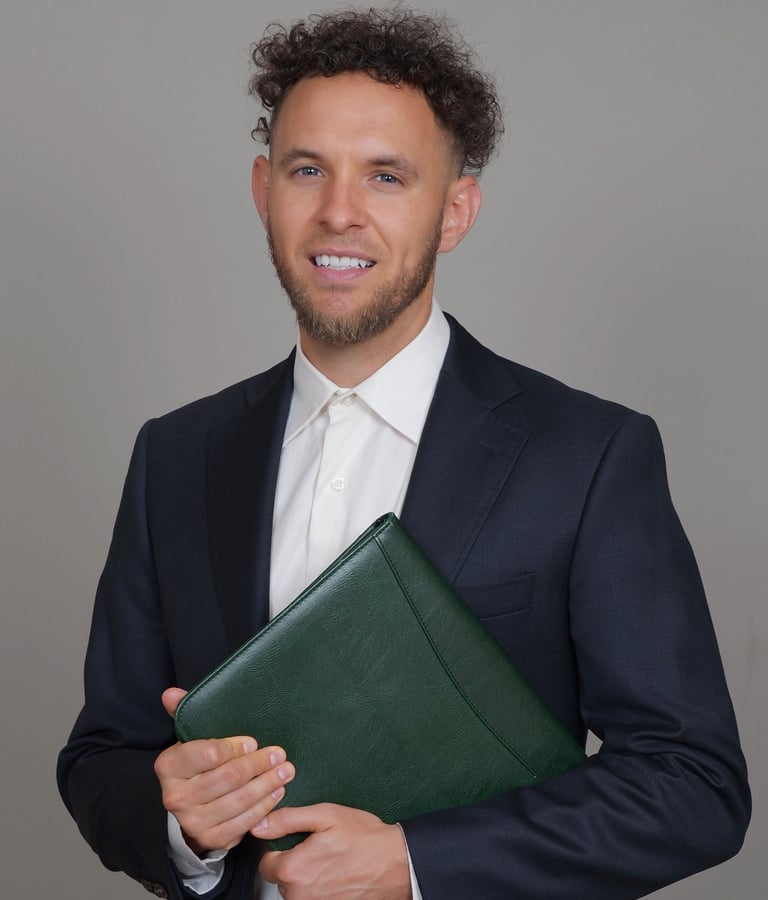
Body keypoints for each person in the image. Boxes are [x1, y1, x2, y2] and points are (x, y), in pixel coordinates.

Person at [57, 7, 750, 899]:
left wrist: (417, 863)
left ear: (454, 211)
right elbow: (104, 756)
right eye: (308, 170)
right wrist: (177, 821)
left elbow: (692, 785)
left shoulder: (589, 456)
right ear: (265, 190)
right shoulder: (176, 456)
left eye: (386, 176)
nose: (339, 212)